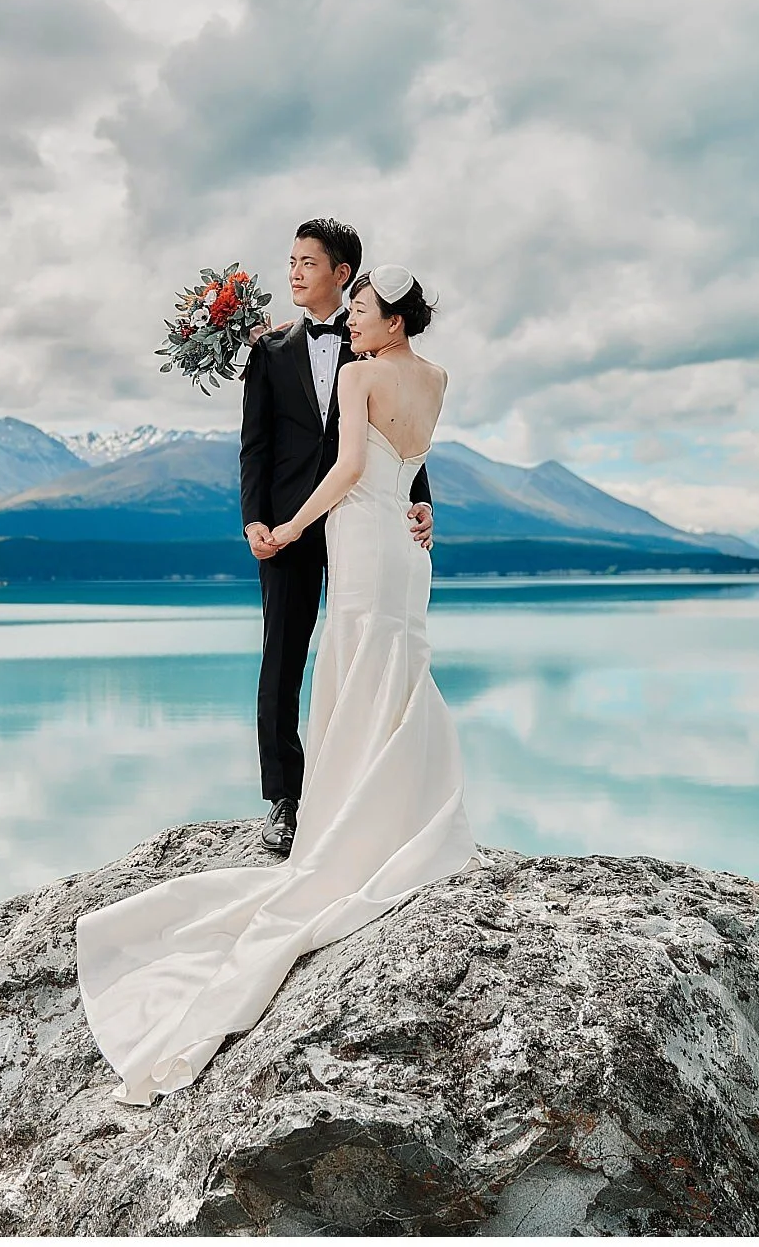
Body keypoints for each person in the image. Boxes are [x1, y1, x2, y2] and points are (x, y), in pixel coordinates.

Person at [74, 263, 479, 1106]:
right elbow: (411, 466)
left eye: (362, 310)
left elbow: (349, 466)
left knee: (357, 668)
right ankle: (402, 814)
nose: (353, 320)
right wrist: (422, 508)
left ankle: (344, 823)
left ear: (393, 321)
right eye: (351, 310)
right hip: (409, 552)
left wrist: (292, 526)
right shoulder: (437, 378)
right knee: (395, 669)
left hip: (362, 539)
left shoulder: (361, 375)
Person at [236, 218, 433, 854]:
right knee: (282, 657)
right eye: (291, 261)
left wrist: (420, 499)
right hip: (287, 525)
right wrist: (255, 520)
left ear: (342, 274)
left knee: (361, 652)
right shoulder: (268, 351)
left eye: (308, 262)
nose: (294, 273)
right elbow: (255, 445)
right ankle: (284, 800)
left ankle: (360, 790)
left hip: (365, 521)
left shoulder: (371, 339)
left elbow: (400, 431)